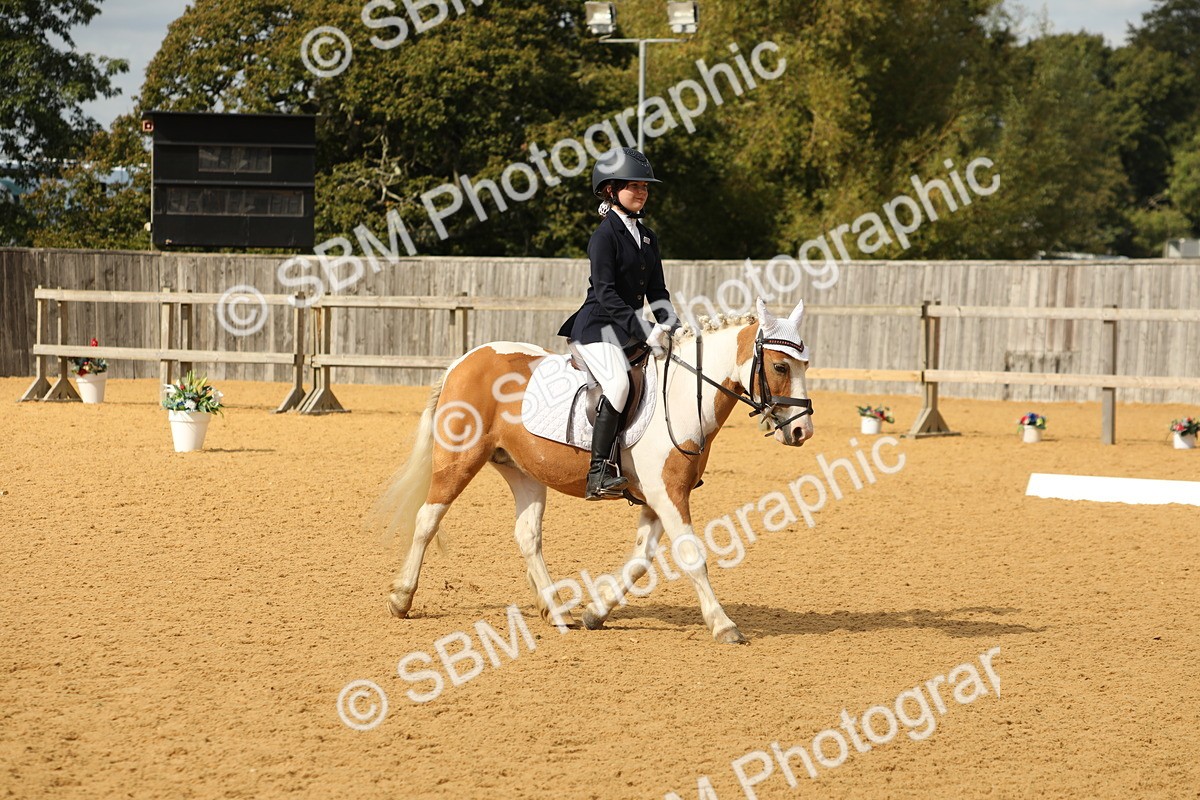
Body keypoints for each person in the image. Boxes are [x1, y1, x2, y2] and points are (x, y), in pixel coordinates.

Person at [558, 147, 681, 500]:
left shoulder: (647, 236)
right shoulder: (604, 236)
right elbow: (607, 294)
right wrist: (644, 330)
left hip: (625, 328)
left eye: (645, 186)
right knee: (618, 385)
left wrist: (671, 325)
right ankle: (599, 472)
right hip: (596, 327)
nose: (641, 192)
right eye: (633, 185)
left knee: (666, 375)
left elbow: (657, 292)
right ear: (611, 190)